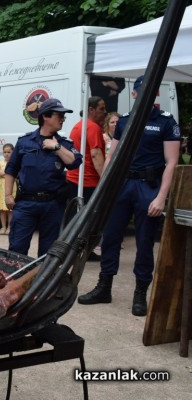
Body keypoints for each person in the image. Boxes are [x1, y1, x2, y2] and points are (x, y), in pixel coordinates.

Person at [78, 75, 181, 317]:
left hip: (148, 185)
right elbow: (112, 157)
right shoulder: (124, 121)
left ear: (155, 94)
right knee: (111, 237)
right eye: (141, 90)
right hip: (122, 185)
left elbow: (172, 162)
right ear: (134, 94)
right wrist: (105, 188)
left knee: (144, 241)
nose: (145, 93)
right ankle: (104, 287)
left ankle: (140, 293)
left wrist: (161, 197)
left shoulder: (165, 121)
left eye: (150, 90)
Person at [4, 98, 82, 257]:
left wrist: (57, 147)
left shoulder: (63, 144)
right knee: (17, 249)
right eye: (58, 115)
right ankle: (17, 280)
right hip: (26, 203)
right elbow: (11, 169)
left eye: (63, 116)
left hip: (53, 205)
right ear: (45, 116)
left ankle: (43, 282)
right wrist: (7, 195)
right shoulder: (25, 142)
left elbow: (74, 162)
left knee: (48, 254)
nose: (62, 119)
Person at [65, 96, 107, 213]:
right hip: (88, 182)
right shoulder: (93, 128)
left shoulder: (78, 125)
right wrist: (106, 180)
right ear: (91, 110)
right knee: (89, 220)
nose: (104, 112)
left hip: (74, 179)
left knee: (74, 217)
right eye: (101, 109)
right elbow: (96, 155)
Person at [0, 143, 16, 235]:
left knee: (10, 210)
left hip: (11, 187)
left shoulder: (14, 163)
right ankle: (3, 226)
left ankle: (10, 227)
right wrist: (6, 173)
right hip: (1, 188)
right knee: (2, 210)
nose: (6, 154)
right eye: (5, 152)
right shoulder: (0, 163)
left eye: (9, 152)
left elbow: (15, 173)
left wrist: (5, 173)